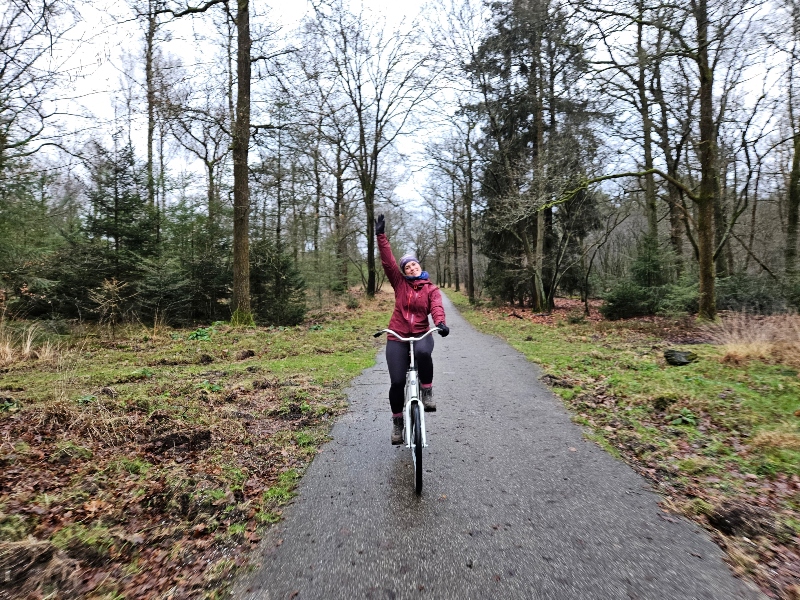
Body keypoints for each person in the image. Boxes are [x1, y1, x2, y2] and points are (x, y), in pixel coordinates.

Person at [375, 214, 450, 445]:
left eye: (414, 264)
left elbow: (436, 306)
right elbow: (388, 262)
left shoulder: (431, 289)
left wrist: (440, 323)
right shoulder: (399, 284)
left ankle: (426, 391)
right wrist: (381, 236)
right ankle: (398, 422)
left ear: (420, 267)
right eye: (407, 266)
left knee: (423, 353)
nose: (412, 267)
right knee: (397, 382)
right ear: (404, 272)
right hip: (397, 334)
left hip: (421, 333)